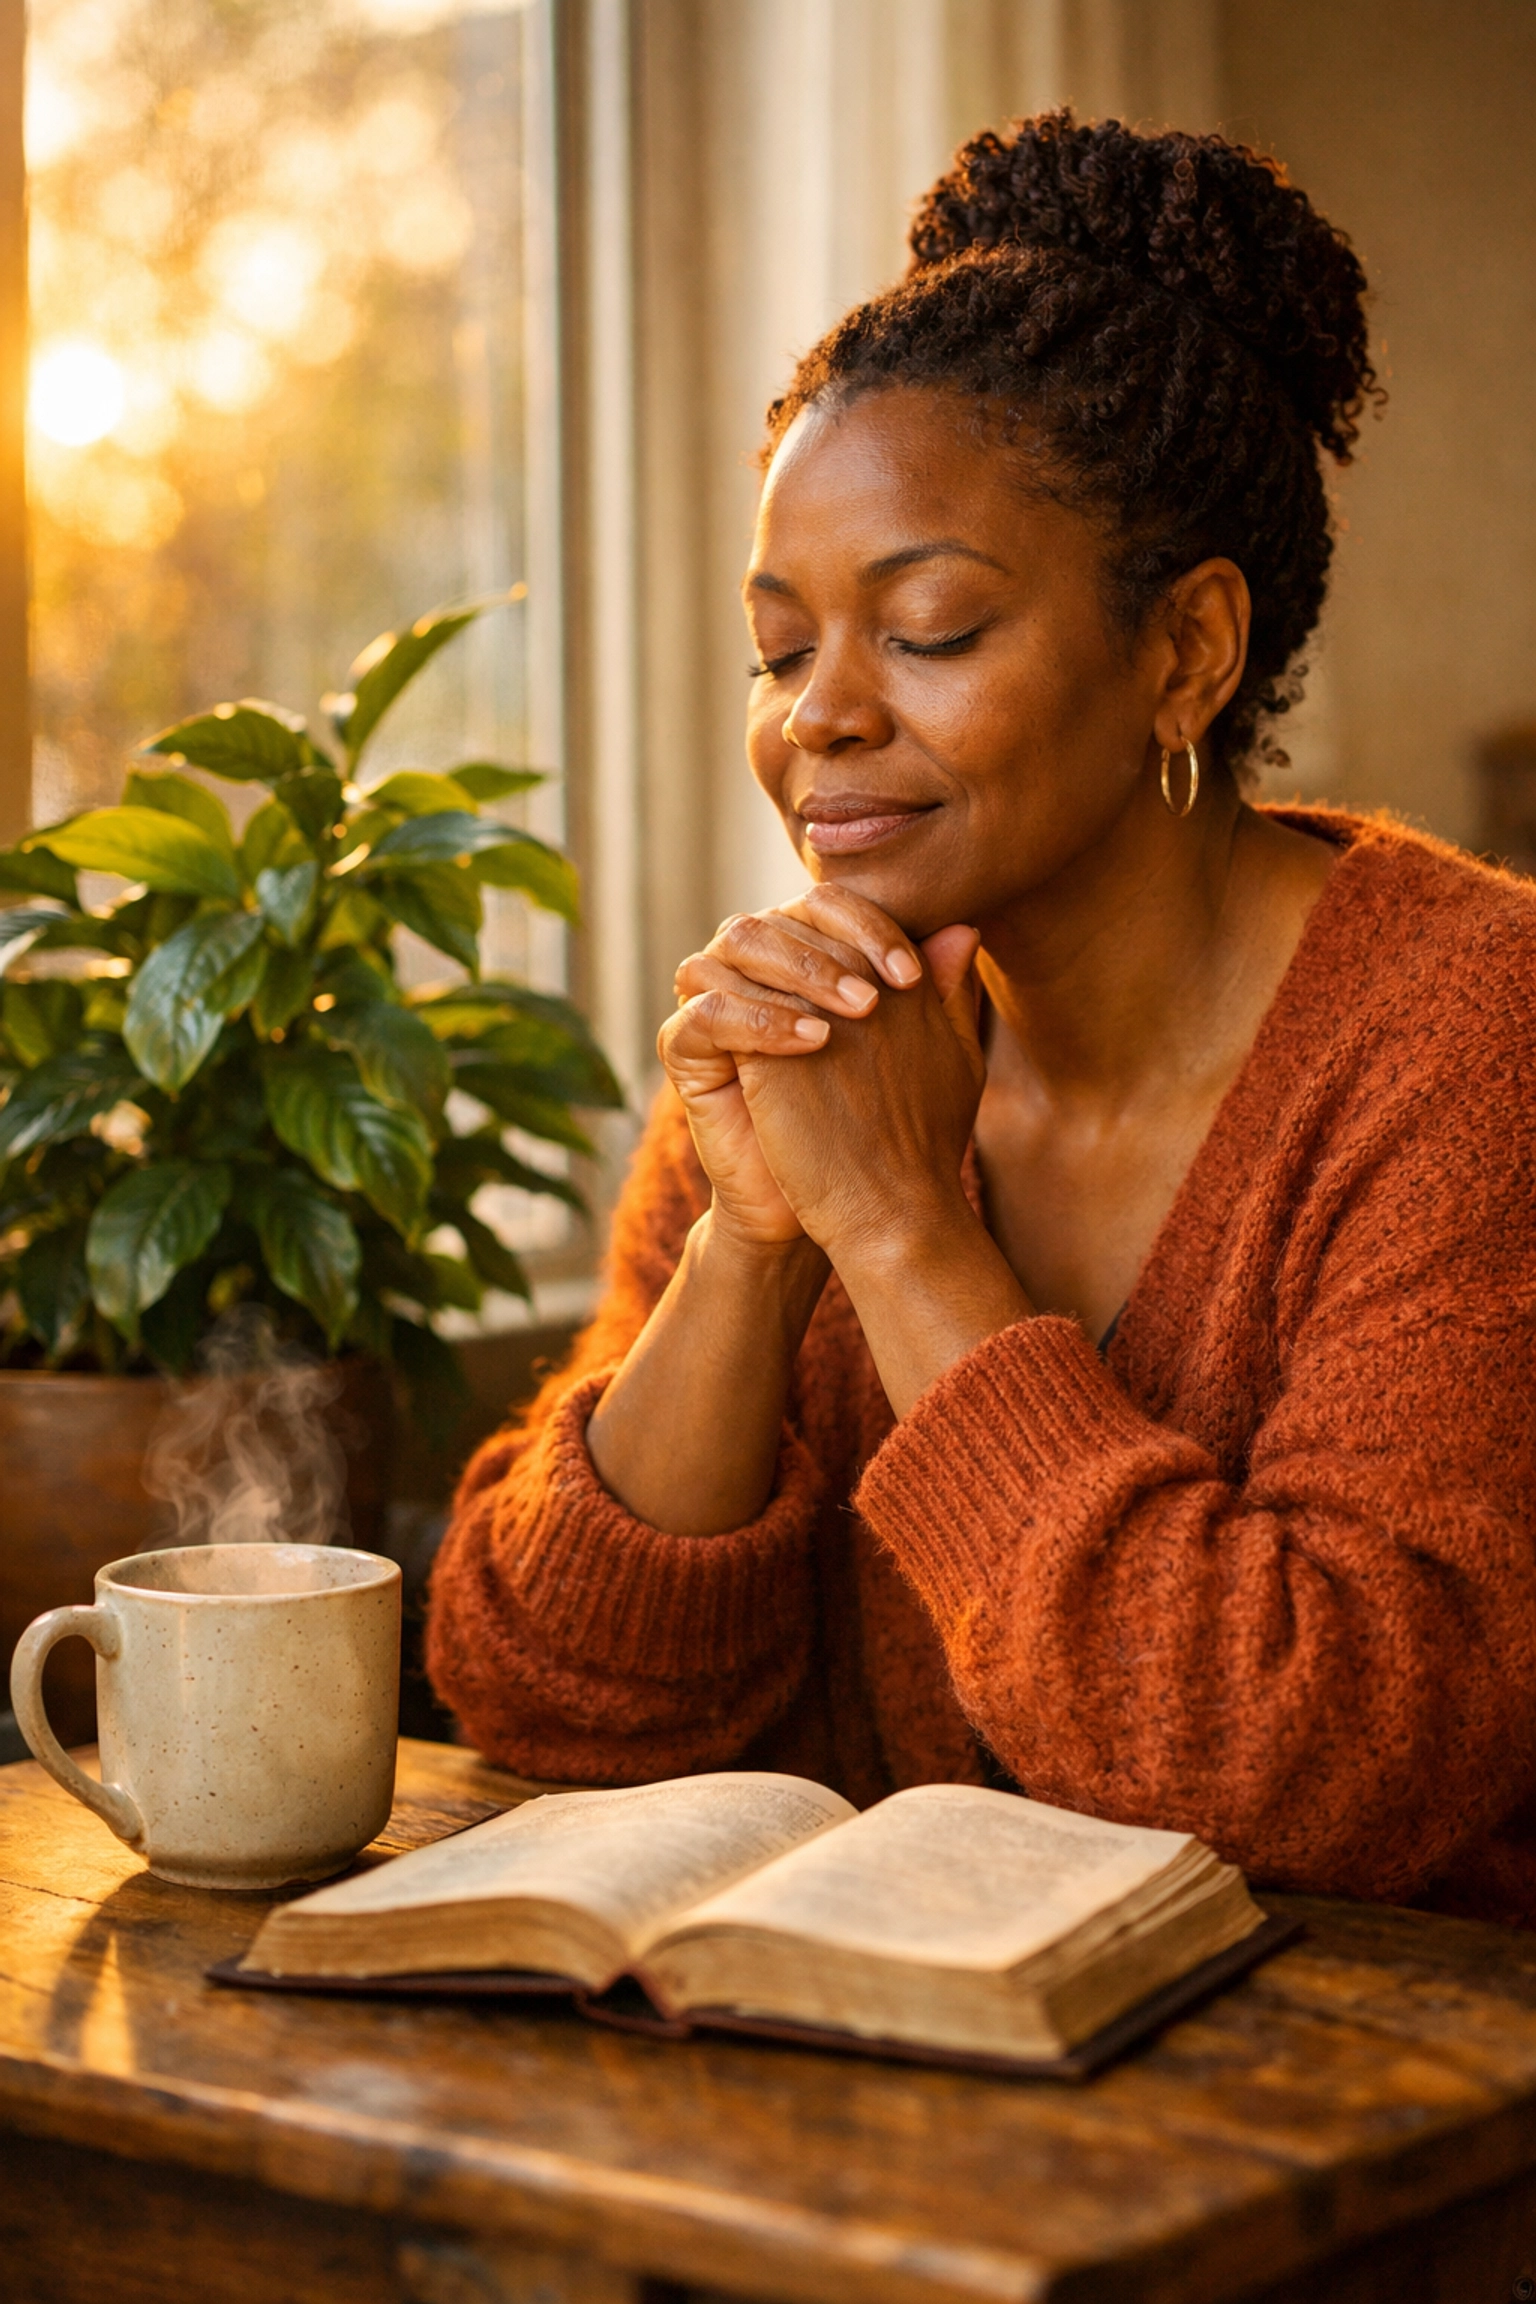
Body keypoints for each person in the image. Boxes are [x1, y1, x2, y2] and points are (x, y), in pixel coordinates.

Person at [427, 113, 1536, 1925]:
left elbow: (1326, 1767)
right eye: (781, 650)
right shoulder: (810, 1034)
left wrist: (902, 1230)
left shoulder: (1478, 1040)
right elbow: (541, 1689)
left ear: (1185, 652)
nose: (815, 724)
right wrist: (755, 1244)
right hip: (882, 2136)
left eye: (928, 628)